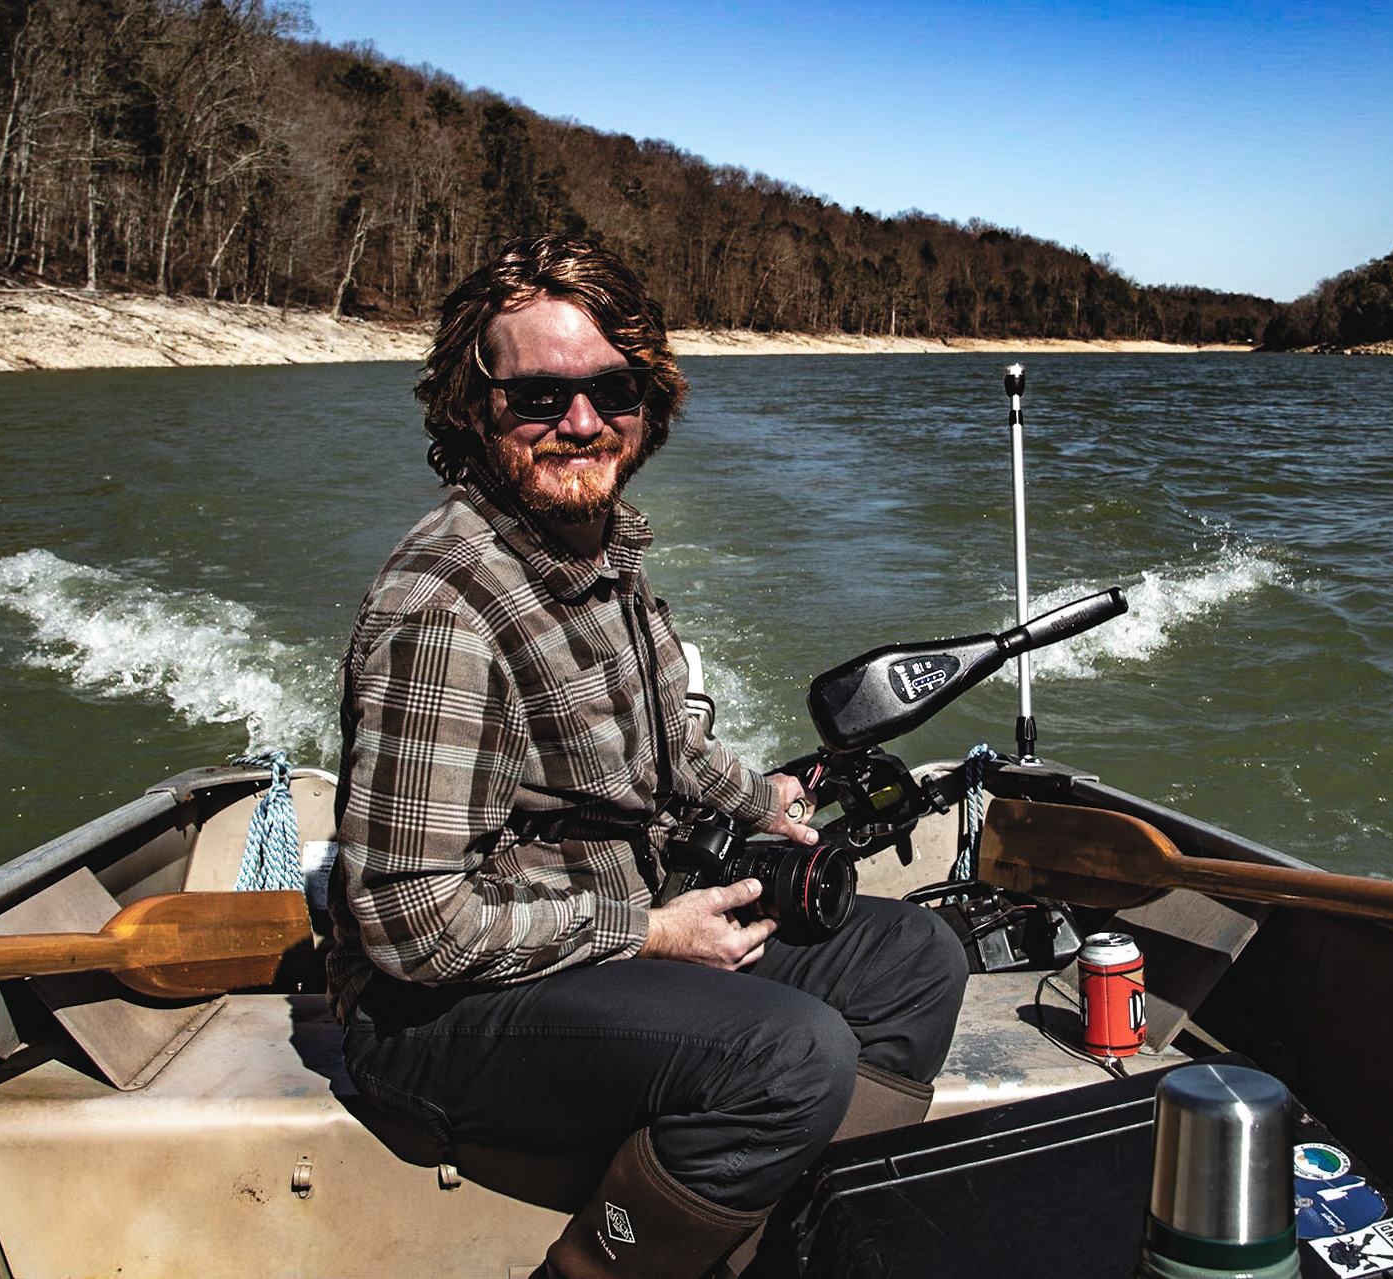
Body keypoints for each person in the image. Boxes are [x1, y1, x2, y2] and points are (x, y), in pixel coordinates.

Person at [326, 234, 968, 1278]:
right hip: (439, 1020)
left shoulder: (601, 555)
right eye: (537, 396)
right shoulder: (444, 610)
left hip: (601, 936)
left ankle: (793, 1240)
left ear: (648, 398)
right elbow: (409, 922)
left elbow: (670, 752)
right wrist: (651, 933)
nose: (579, 422)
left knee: (913, 962)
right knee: (792, 1052)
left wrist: (771, 803)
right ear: (471, 409)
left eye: (610, 388)